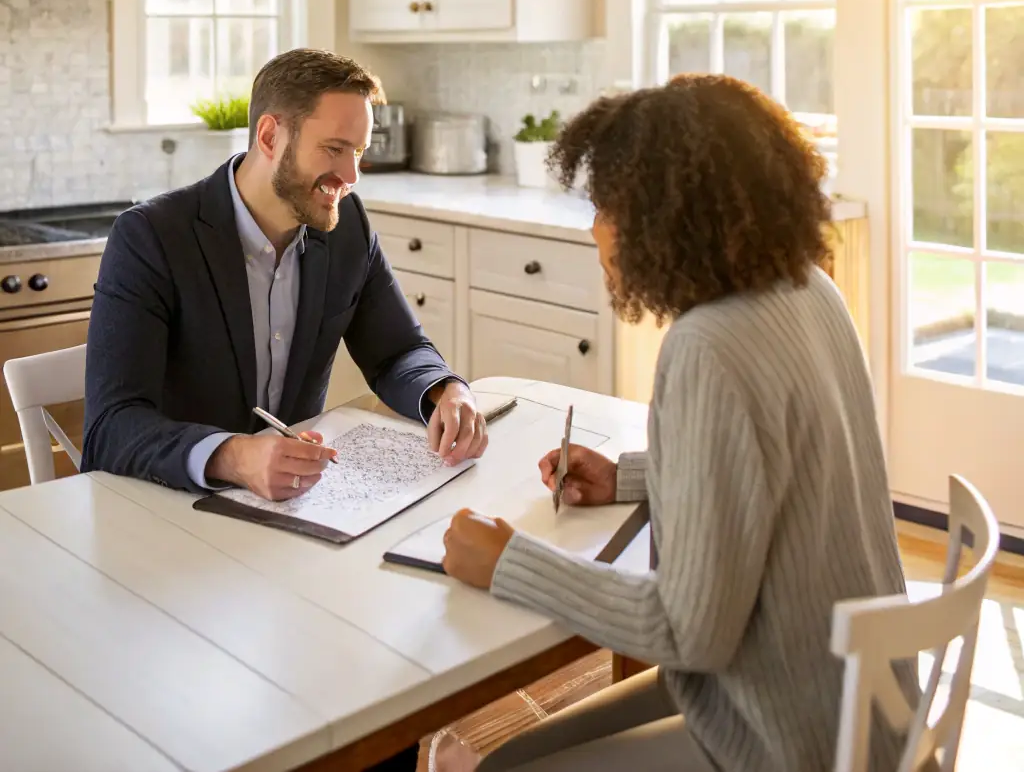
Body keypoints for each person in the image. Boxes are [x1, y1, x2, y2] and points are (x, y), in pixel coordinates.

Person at [435, 75, 909, 772]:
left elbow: (690, 629)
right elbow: (774, 472)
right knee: (506, 756)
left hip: (785, 737)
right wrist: (635, 475)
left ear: (663, 215)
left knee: (498, 766)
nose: (594, 228)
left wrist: (510, 561)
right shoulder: (812, 288)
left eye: (603, 206)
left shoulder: (707, 345)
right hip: (862, 707)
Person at [83, 48, 486, 499]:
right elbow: (110, 427)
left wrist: (447, 392)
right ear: (270, 136)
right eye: (334, 149)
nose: (351, 175)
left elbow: (397, 350)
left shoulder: (346, 224)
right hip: (170, 508)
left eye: (358, 152)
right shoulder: (151, 236)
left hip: (292, 508)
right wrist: (234, 456)